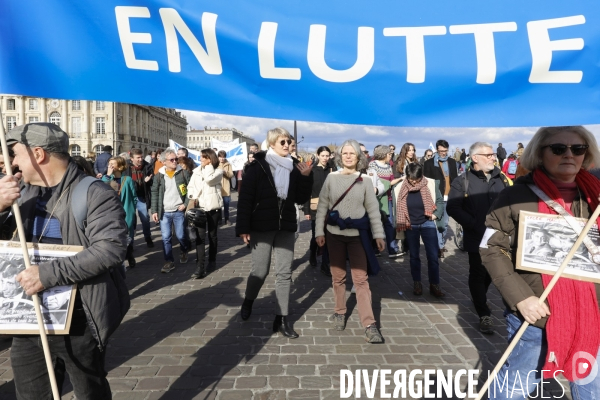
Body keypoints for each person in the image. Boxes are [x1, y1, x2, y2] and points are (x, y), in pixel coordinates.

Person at [0, 122, 129, 399]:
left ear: (38, 154)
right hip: (27, 315)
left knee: (88, 391)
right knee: (31, 394)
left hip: (78, 319)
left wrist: (45, 274)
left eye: (15, 154)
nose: (10, 162)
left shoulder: (94, 192)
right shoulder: (23, 191)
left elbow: (110, 249)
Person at [481, 126, 600, 399]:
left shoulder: (596, 196)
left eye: (578, 148)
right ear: (540, 153)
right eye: (559, 149)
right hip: (537, 314)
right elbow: (491, 248)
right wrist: (521, 298)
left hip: (591, 313)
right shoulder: (513, 196)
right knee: (515, 388)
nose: (569, 154)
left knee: (592, 389)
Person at [236, 127, 313, 338]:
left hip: (286, 225)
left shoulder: (294, 168)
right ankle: (249, 300)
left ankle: (281, 319)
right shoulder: (258, 167)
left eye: (289, 142)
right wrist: (243, 227)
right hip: (261, 225)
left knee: (284, 273)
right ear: (271, 144)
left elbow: (299, 198)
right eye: (283, 142)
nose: (288, 145)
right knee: (260, 271)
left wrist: (306, 177)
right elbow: (245, 199)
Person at [315, 139, 386, 343]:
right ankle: (339, 311)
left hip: (357, 237)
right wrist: (319, 232)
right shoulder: (331, 178)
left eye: (352, 153)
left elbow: (373, 211)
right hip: (334, 235)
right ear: (339, 156)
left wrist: (378, 235)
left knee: (361, 280)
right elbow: (322, 207)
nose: (347, 156)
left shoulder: (365, 180)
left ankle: (369, 324)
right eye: (344, 153)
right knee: (337, 277)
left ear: (358, 157)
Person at [447, 142, 512, 334]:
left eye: (493, 154)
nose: (493, 157)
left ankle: (479, 297)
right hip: (477, 236)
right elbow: (453, 207)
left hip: (500, 237)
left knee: (492, 273)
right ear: (475, 158)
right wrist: (474, 224)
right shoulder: (462, 181)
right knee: (478, 273)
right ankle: (484, 313)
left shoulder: (501, 178)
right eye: (489, 155)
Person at [394, 163, 445, 297]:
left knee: (433, 256)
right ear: (407, 176)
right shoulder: (400, 186)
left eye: (417, 179)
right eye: (411, 179)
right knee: (414, 256)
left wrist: (436, 214)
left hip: (427, 222)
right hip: (410, 224)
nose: (414, 182)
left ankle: (434, 284)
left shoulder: (430, 183)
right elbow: (396, 206)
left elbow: (439, 201)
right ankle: (417, 283)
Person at [150, 148, 191, 273]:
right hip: (164, 212)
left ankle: (184, 251)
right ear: (164, 162)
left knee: (180, 235)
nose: (175, 162)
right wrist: (154, 211)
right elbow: (155, 193)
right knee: (166, 237)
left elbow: (191, 189)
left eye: (176, 159)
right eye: (172, 160)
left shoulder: (183, 173)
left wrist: (185, 204)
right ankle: (169, 261)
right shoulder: (159, 176)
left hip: (179, 210)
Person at [186, 149, 223, 279]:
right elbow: (190, 186)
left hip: (213, 208)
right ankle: (199, 267)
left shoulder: (218, 172)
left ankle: (212, 260)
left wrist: (208, 167)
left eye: (203, 157)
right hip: (200, 209)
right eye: (200, 157)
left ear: (210, 158)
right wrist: (192, 196)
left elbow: (209, 180)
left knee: (212, 236)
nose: (200, 159)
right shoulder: (196, 172)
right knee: (200, 238)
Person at [423, 139, 458, 258]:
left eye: (445, 151)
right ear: (437, 150)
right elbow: (426, 181)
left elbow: (455, 179)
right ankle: (439, 246)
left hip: (449, 196)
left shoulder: (452, 162)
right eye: (441, 151)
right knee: (439, 222)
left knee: (446, 222)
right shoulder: (429, 164)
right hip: (437, 197)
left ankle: (441, 244)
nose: (443, 153)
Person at [102, 156, 138, 268]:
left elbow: (134, 197)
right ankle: (120, 260)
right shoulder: (106, 178)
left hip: (126, 212)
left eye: (113, 163)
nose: (110, 166)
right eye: (109, 163)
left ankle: (129, 254)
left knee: (128, 237)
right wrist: (108, 175)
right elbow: (102, 189)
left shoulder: (127, 180)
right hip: (112, 214)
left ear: (120, 166)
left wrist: (131, 210)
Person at [369, 145, 403, 257]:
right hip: (376, 199)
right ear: (383, 154)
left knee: (389, 224)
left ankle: (392, 249)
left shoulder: (388, 166)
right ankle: (375, 249)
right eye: (389, 154)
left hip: (387, 198)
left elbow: (391, 180)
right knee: (375, 223)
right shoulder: (373, 165)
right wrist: (400, 179)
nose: (391, 156)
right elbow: (374, 183)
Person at [302, 146, 332, 275]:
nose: (325, 158)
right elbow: (306, 192)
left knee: (330, 236)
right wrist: (306, 211)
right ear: (318, 155)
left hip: (331, 207)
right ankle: (313, 254)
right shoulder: (312, 170)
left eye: (327, 155)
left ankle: (326, 264)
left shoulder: (332, 169)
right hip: (316, 207)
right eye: (323, 155)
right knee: (316, 234)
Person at [126, 148, 155, 248]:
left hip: (141, 196)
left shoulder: (147, 166)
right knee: (131, 220)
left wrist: (148, 181)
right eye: (138, 157)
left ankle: (148, 237)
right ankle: (131, 243)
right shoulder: (126, 167)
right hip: (130, 197)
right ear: (131, 158)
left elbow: (153, 181)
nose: (140, 159)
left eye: (141, 157)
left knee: (145, 218)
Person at [217, 150, 234, 226]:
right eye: (220, 157)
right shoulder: (215, 164)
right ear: (218, 157)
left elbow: (231, 175)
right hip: (218, 187)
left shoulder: (228, 164)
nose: (222, 159)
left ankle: (227, 219)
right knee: (218, 205)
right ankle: (219, 219)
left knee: (226, 205)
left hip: (226, 188)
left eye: (223, 157)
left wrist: (225, 172)